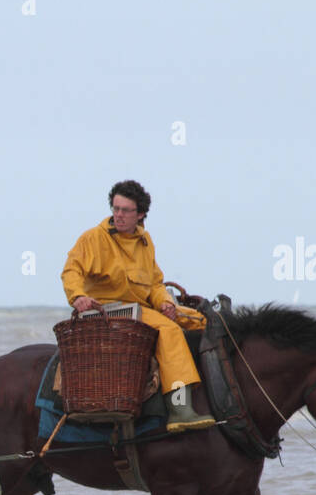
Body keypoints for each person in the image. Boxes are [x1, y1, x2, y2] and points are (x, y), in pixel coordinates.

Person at [61, 180, 215, 432]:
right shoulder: (92, 239)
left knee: (203, 320)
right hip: (110, 312)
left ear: (140, 214)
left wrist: (165, 302)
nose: (118, 215)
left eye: (125, 210)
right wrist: (78, 296)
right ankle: (180, 409)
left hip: (144, 309)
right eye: (116, 208)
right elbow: (71, 270)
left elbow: (154, 283)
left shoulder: (145, 241)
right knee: (170, 331)